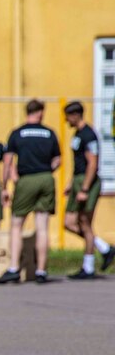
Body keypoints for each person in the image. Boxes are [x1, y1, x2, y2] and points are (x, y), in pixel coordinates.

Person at [0, 100, 61, 284]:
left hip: (26, 179)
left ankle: (14, 268)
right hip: (46, 177)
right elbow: (58, 160)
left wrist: (5, 186)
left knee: (16, 224)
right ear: (40, 113)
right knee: (42, 227)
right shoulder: (49, 133)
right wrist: (46, 170)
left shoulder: (18, 133)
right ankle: (41, 271)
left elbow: (7, 162)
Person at [62, 101, 115, 279]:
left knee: (85, 223)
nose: (66, 120)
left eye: (68, 117)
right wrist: (71, 183)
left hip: (88, 182)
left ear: (76, 115)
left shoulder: (89, 134)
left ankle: (88, 267)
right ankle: (104, 248)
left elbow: (92, 162)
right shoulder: (77, 134)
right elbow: (78, 162)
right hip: (78, 180)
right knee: (69, 222)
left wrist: (85, 188)